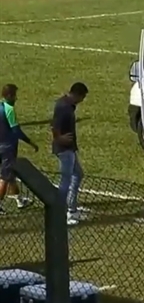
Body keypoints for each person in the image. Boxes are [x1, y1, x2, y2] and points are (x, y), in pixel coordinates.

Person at [51, 82, 88, 225]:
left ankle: (71, 207)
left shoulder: (67, 105)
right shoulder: (63, 107)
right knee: (66, 180)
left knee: (78, 174)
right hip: (64, 149)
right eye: (82, 97)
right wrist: (59, 138)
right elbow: (54, 126)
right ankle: (66, 211)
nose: (82, 100)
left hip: (69, 148)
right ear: (77, 94)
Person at [0, 84, 38, 214]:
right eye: (15, 95)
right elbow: (16, 131)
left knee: (10, 175)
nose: (16, 98)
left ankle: (19, 200)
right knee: (5, 177)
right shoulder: (9, 109)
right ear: (9, 96)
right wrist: (30, 142)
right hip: (8, 148)